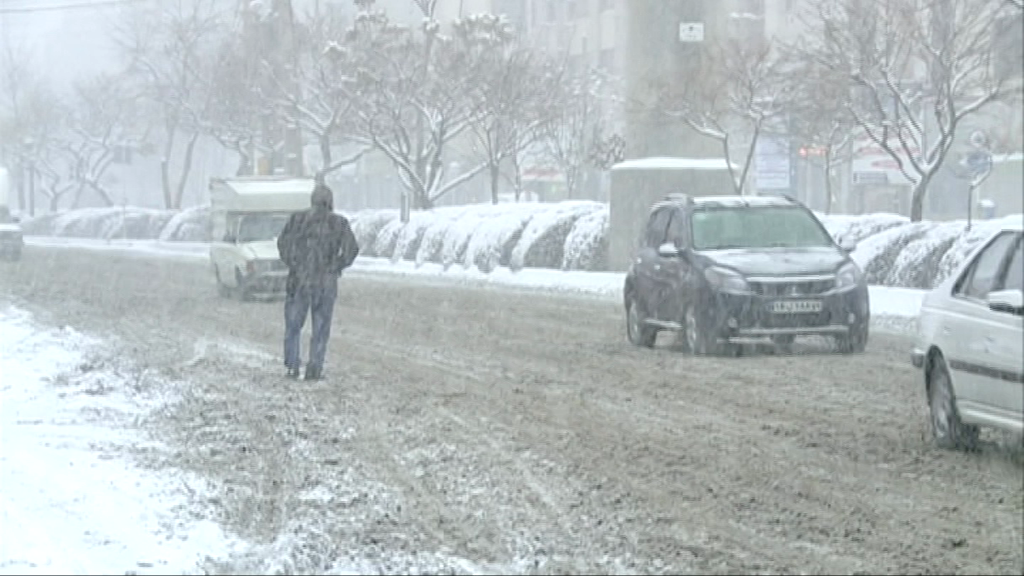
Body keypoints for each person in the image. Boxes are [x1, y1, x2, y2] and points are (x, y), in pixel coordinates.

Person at [276, 183, 360, 380]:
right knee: (321, 328)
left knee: (294, 326)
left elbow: (282, 243)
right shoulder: (339, 224)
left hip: (299, 281)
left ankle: (292, 365)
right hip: (325, 283)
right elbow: (351, 249)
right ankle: (315, 367)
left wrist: (295, 263)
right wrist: (335, 266)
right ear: (331, 202)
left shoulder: (297, 220)